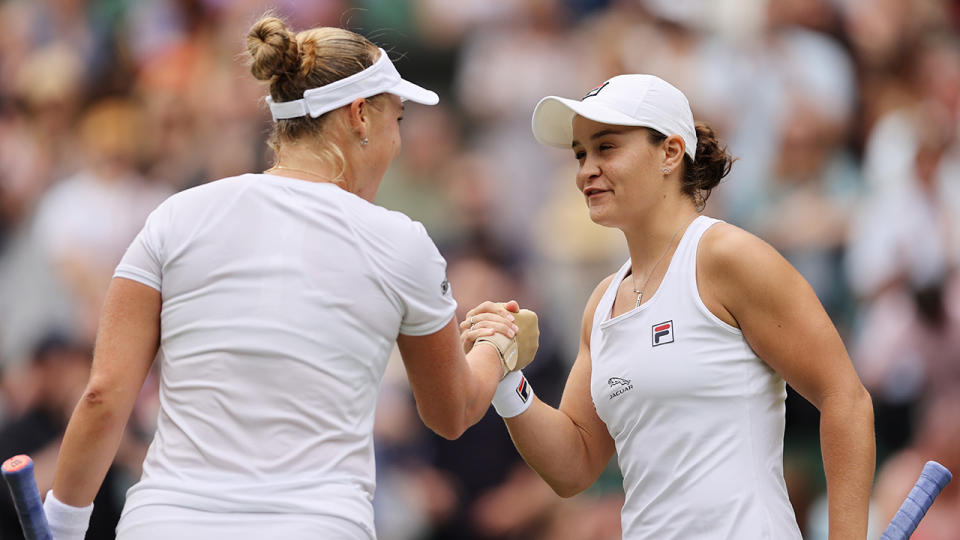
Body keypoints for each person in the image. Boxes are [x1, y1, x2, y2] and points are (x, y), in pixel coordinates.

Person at [39, 16, 526, 540]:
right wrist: (499, 346)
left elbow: (103, 396)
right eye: (398, 120)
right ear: (361, 116)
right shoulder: (401, 242)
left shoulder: (176, 216)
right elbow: (452, 411)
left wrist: (63, 526)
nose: (397, 143)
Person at [465, 74, 876, 538]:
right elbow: (574, 466)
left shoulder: (727, 256)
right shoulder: (601, 304)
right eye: (580, 154)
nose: (585, 170)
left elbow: (846, 399)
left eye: (606, 148)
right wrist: (507, 378)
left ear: (670, 153)